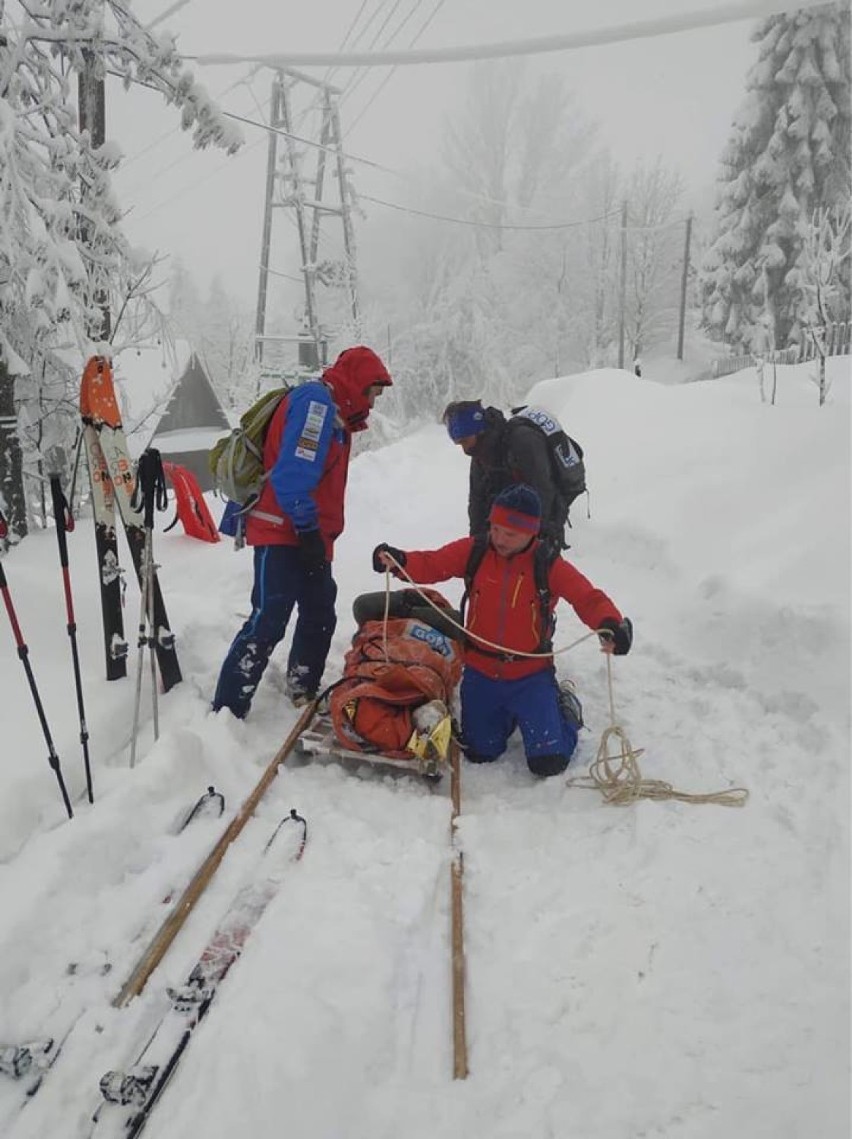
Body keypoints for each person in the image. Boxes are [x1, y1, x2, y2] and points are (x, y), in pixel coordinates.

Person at [371, 484, 633, 777]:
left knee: (549, 763)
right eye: (495, 529)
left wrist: (610, 623)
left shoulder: (546, 563)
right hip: (481, 674)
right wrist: (399, 561)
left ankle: (564, 708)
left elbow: (587, 597)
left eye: (510, 533)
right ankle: (505, 717)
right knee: (481, 753)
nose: (499, 538)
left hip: (530, 676)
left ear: (531, 532)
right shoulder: (476, 551)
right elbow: (433, 563)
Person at [213, 346, 392, 719]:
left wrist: (315, 534)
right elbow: (293, 474)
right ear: (357, 382)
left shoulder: (335, 413)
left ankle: (302, 685)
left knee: (320, 610)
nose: (372, 403)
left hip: (309, 533)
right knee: (269, 618)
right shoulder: (316, 405)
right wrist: (308, 530)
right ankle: (228, 707)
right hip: (283, 530)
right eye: (371, 392)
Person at [442, 399, 569, 557]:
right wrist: (477, 543)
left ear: (479, 431)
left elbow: (544, 491)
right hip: (505, 527)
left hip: (539, 527)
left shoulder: (523, 441)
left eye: (465, 441)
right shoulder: (480, 455)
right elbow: (477, 501)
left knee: (535, 576)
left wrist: (531, 539)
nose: (465, 449)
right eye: (459, 444)